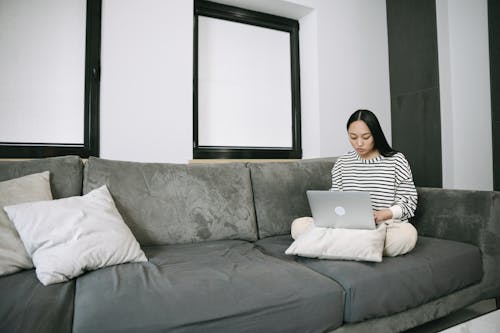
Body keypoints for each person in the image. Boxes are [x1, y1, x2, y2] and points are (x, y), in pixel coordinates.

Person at [292, 109, 418, 257]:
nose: (359, 143)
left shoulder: (397, 160)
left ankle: (335, 248)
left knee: (406, 236)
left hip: (384, 226)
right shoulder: (342, 163)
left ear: (376, 135)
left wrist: (383, 214)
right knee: (298, 226)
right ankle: (363, 249)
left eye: (366, 137)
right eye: (353, 137)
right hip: (347, 228)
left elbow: (409, 202)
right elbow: (335, 200)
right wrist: (333, 217)